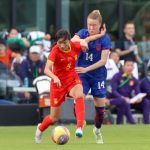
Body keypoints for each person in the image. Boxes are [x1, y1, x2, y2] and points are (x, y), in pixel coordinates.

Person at [34, 29, 105, 143]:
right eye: (59, 42)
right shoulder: (55, 51)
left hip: (72, 80)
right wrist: (55, 77)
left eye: (64, 42)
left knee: (80, 95)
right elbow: (46, 69)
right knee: (53, 118)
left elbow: (86, 40)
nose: (62, 45)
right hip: (58, 85)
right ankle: (40, 129)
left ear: (69, 40)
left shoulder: (75, 45)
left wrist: (95, 37)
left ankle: (79, 128)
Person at [71, 10, 111, 144]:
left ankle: (97, 130)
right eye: (89, 25)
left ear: (100, 25)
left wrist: (86, 68)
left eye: (94, 25)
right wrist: (86, 40)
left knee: (100, 110)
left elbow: (103, 61)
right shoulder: (82, 33)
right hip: (82, 75)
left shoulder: (105, 39)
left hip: (98, 76)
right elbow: (72, 41)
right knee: (79, 96)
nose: (91, 28)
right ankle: (80, 124)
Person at [106, 59, 150, 124]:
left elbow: (137, 92)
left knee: (146, 102)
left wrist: (139, 98)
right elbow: (113, 91)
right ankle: (130, 122)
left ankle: (147, 124)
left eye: (131, 65)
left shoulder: (134, 79)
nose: (130, 67)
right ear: (123, 66)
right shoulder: (117, 76)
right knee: (124, 102)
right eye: (128, 65)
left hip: (129, 100)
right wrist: (123, 98)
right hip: (116, 100)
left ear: (133, 67)